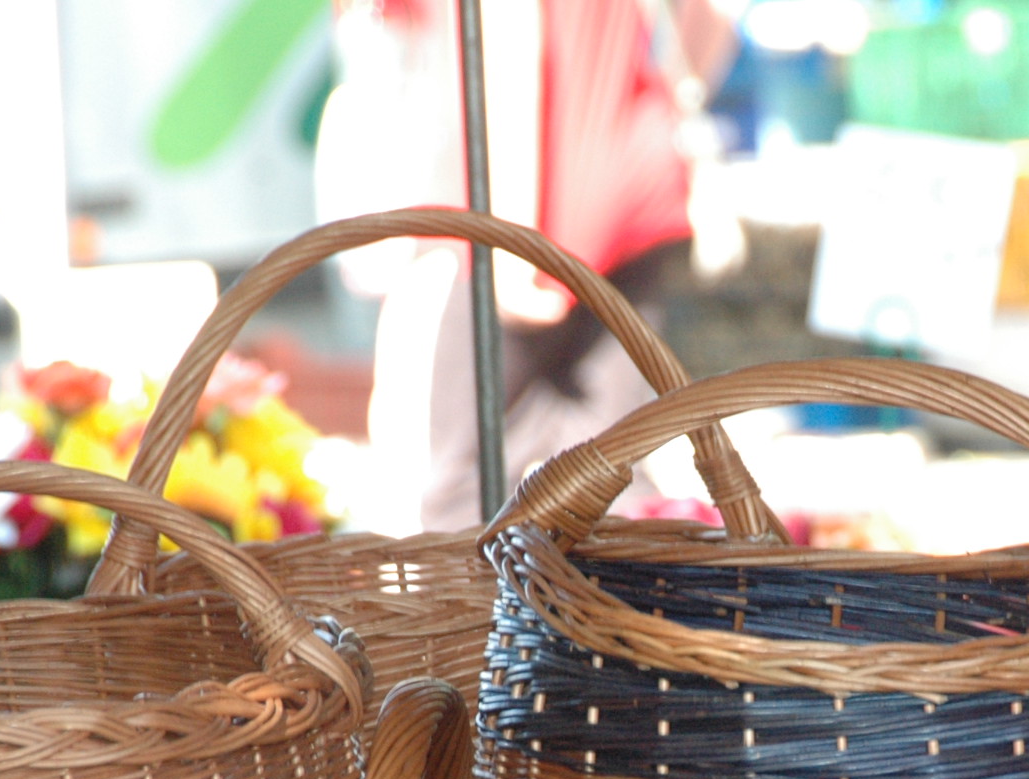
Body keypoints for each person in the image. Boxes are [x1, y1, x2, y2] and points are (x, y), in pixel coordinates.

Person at [315, 0, 735, 533]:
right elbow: (715, 13)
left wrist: (507, 235)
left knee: (461, 493)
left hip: (530, 206)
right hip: (630, 181)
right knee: (604, 480)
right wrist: (672, 99)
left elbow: (504, 31)